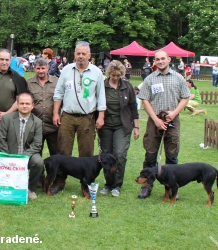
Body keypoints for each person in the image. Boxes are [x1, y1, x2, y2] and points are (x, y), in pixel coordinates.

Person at [51, 41, 106, 195]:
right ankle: (59, 181)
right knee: (63, 150)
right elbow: (58, 93)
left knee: (87, 152)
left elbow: (101, 96)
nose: (81, 56)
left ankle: (86, 184)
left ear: (89, 55)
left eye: (84, 54)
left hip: (87, 118)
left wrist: (100, 116)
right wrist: (56, 113)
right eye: (78, 53)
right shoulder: (66, 70)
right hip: (67, 116)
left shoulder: (96, 73)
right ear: (74, 55)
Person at [137, 50, 190, 199]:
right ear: (154, 61)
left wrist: (173, 114)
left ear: (169, 59)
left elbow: (185, 97)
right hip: (154, 120)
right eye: (157, 59)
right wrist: (156, 120)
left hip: (172, 120)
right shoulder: (150, 79)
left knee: (172, 156)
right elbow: (145, 100)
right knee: (150, 156)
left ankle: (173, 188)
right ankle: (146, 186)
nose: (160, 61)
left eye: (163, 59)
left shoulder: (179, 78)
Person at [98, 61, 139, 198]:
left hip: (122, 125)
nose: (115, 78)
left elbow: (133, 107)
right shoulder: (102, 86)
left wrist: (137, 127)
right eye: (113, 75)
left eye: (118, 75)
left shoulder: (127, 86)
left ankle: (117, 185)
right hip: (105, 126)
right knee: (106, 154)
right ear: (109, 73)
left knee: (120, 154)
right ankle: (108, 183)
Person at [0, 93, 43, 200]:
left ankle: (30, 189)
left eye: (27, 103)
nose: (24, 106)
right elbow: (1, 140)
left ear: (32, 105)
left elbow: (37, 144)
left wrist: (23, 157)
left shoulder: (37, 122)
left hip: (27, 156)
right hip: (9, 154)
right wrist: (8, 157)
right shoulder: (6, 119)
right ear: (17, 105)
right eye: (21, 103)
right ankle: (7, 187)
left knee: (39, 162)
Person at [27, 58, 59, 161]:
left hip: (53, 125)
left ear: (48, 68)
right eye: (38, 68)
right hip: (35, 126)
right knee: (35, 156)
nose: (41, 71)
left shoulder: (56, 81)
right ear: (34, 68)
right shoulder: (29, 83)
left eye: (43, 68)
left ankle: (55, 177)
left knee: (56, 155)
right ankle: (38, 177)